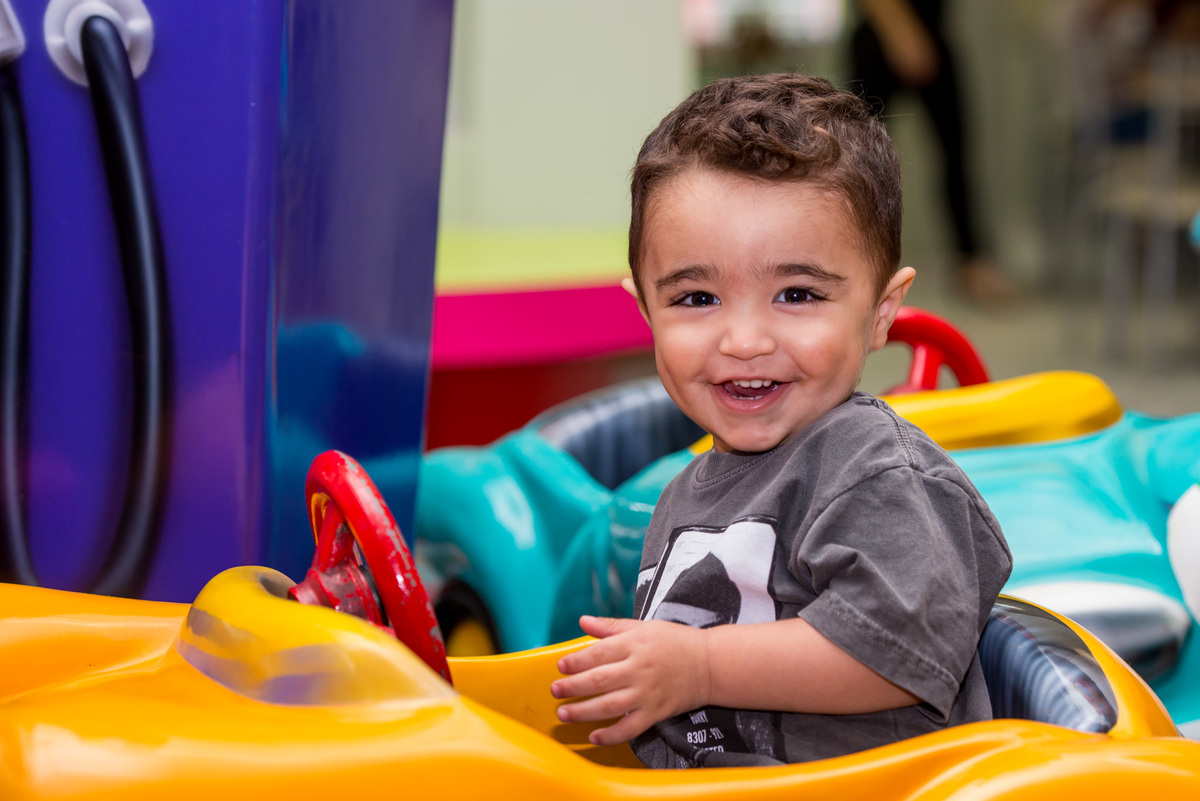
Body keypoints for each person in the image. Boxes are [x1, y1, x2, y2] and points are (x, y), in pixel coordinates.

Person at [549, 74, 1012, 768]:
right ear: (646, 311)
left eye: (796, 294)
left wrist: (700, 666)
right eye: (697, 297)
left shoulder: (876, 473)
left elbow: (894, 654)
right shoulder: (686, 492)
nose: (744, 340)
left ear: (881, 311)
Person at [850, 0, 1016, 304]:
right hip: (884, 33)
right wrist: (901, 32)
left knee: (956, 154)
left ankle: (971, 261)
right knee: (861, 159)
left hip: (933, 30)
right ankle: (852, 260)